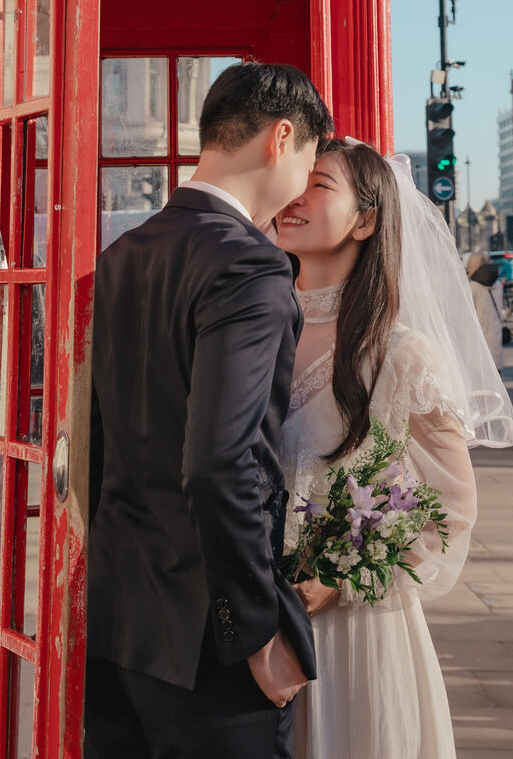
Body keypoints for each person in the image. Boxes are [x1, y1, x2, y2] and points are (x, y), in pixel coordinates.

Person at [86, 62, 334, 759]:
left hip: (115, 622)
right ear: (281, 138)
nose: (305, 182)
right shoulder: (250, 266)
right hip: (204, 647)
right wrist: (254, 629)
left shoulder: (125, 252)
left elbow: (98, 442)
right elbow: (220, 463)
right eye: (311, 158)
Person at [275, 141, 513, 759]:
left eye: (319, 185)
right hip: (254, 625)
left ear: (366, 220)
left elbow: (450, 509)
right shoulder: (256, 331)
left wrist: (339, 581)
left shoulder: (400, 355)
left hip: (353, 641)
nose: (294, 196)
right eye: (294, 180)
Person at [465, 251, 505, 370]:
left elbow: (467, 317)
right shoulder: (497, 284)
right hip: (495, 339)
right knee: (495, 374)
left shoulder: (473, 287)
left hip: (478, 342)